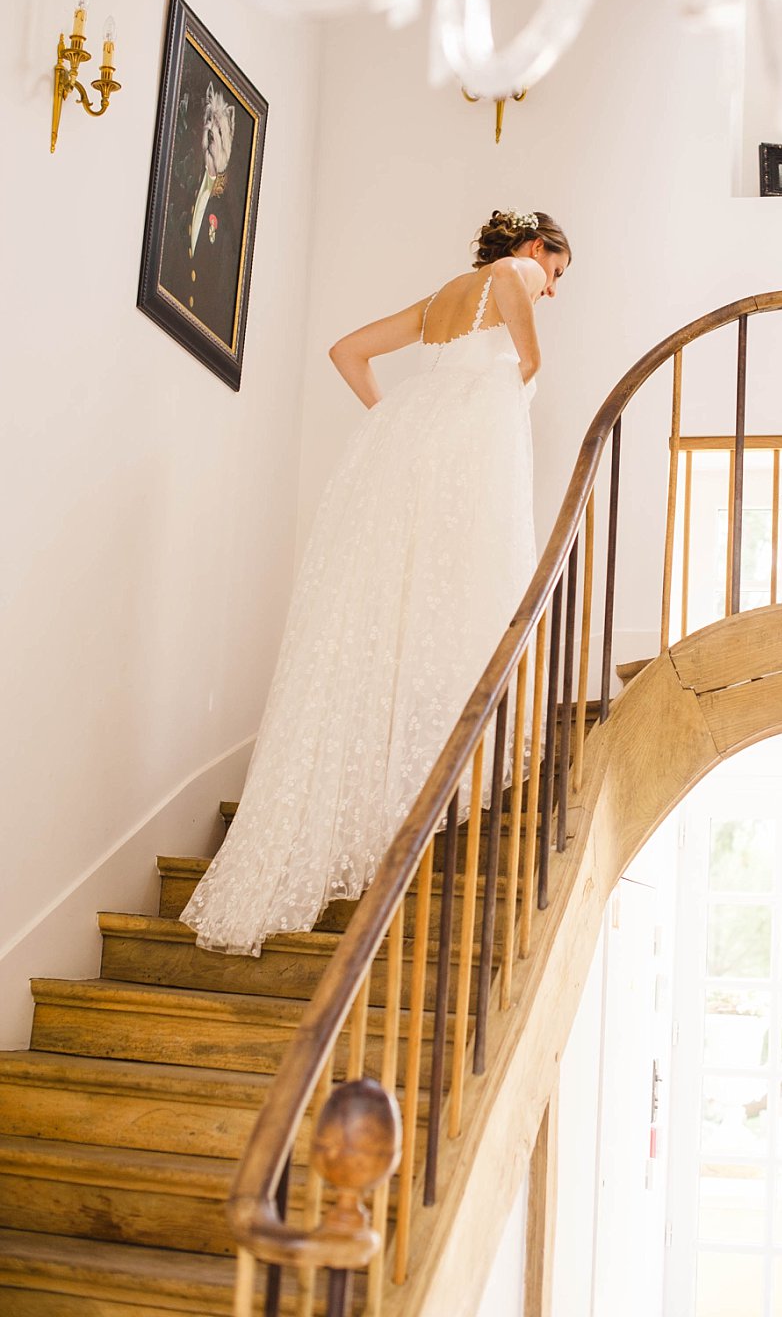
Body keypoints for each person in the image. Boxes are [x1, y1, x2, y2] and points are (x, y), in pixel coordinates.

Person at [181, 209, 570, 956]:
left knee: (389, 604)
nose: (551, 287)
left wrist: (394, 421)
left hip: (408, 446)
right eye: (557, 271)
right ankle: (424, 769)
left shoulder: (439, 301)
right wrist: (516, 382)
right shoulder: (513, 273)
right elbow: (530, 359)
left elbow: (346, 351)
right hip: (459, 446)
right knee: (460, 593)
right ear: (534, 248)